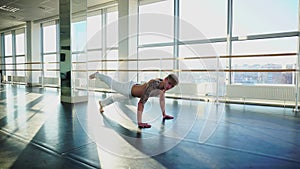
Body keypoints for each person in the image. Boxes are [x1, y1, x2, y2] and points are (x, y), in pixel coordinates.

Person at [89, 72, 179, 129]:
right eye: (169, 84)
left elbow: (162, 100)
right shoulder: (153, 84)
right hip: (128, 89)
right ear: (165, 79)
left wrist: (164, 114)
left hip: (132, 95)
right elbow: (141, 103)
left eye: (172, 86)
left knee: (115, 98)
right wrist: (139, 123)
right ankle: (98, 75)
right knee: (112, 84)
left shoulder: (163, 88)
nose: (169, 87)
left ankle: (102, 103)